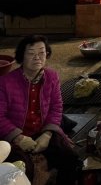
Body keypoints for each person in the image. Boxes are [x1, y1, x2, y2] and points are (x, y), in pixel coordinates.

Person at [0, 36, 81, 185]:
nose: (37, 57)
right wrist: (18, 137)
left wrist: (48, 134)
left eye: (42, 53)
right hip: (15, 136)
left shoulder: (52, 76)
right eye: (31, 53)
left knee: (70, 158)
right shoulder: (5, 82)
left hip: (42, 131)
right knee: (23, 169)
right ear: (21, 56)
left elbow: (56, 107)